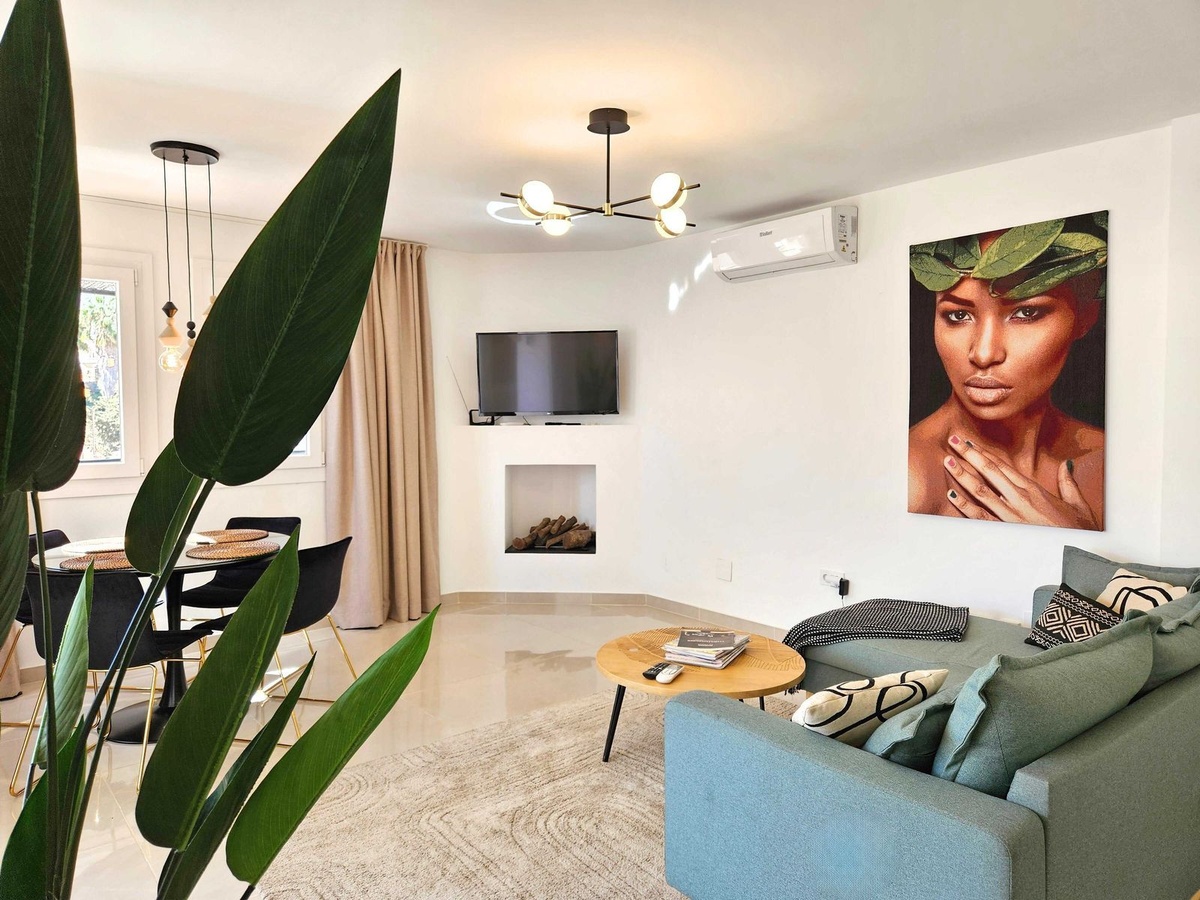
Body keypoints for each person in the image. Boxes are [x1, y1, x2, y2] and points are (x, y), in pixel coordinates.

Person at [907, 216, 1107, 529]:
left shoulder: (1111, 462)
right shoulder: (914, 481)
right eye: (958, 315)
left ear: (1086, 316)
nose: (983, 354)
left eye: (1026, 312)